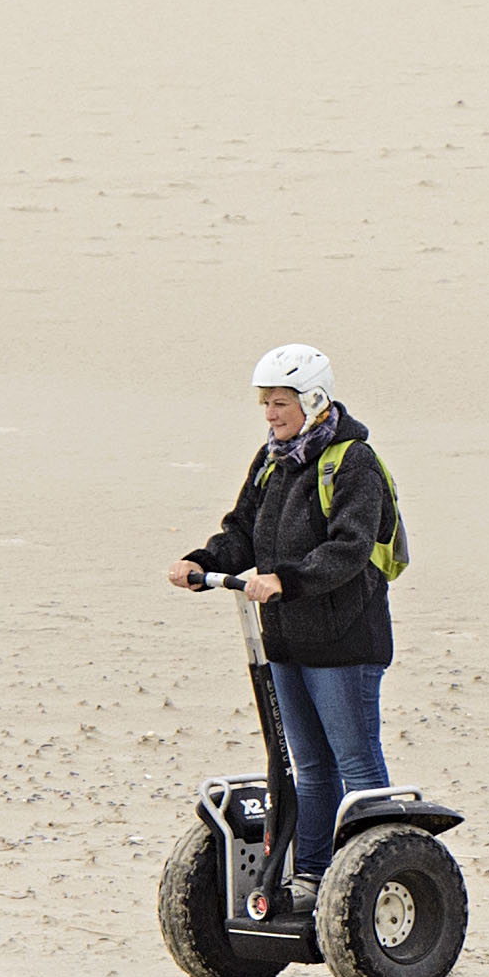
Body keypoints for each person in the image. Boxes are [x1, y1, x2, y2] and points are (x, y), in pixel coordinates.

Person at [168, 342, 402, 902]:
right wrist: (203, 561)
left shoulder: (352, 463)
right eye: (265, 404)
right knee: (310, 767)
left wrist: (285, 580)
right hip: (287, 639)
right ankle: (314, 877)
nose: (271, 414)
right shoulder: (272, 461)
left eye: (280, 402)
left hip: (345, 639)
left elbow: (348, 549)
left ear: (314, 400)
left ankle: (376, 880)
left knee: (356, 763)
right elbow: (243, 531)